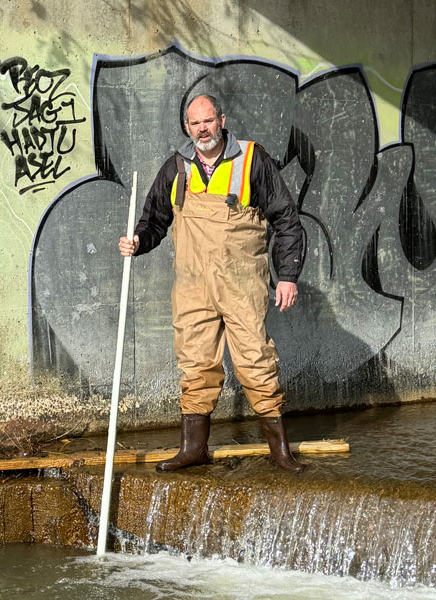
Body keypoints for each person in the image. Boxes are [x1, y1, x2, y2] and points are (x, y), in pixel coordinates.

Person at [118, 94, 305, 473]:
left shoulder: (253, 160)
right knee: (196, 364)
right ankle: (194, 449)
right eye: (194, 123)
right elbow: (154, 220)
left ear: (221, 120)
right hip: (192, 287)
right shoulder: (176, 167)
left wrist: (288, 276)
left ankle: (280, 452)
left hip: (241, 286)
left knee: (255, 361)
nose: (202, 129)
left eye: (208, 121)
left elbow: (286, 218)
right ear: (187, 127)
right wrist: (137, 242)